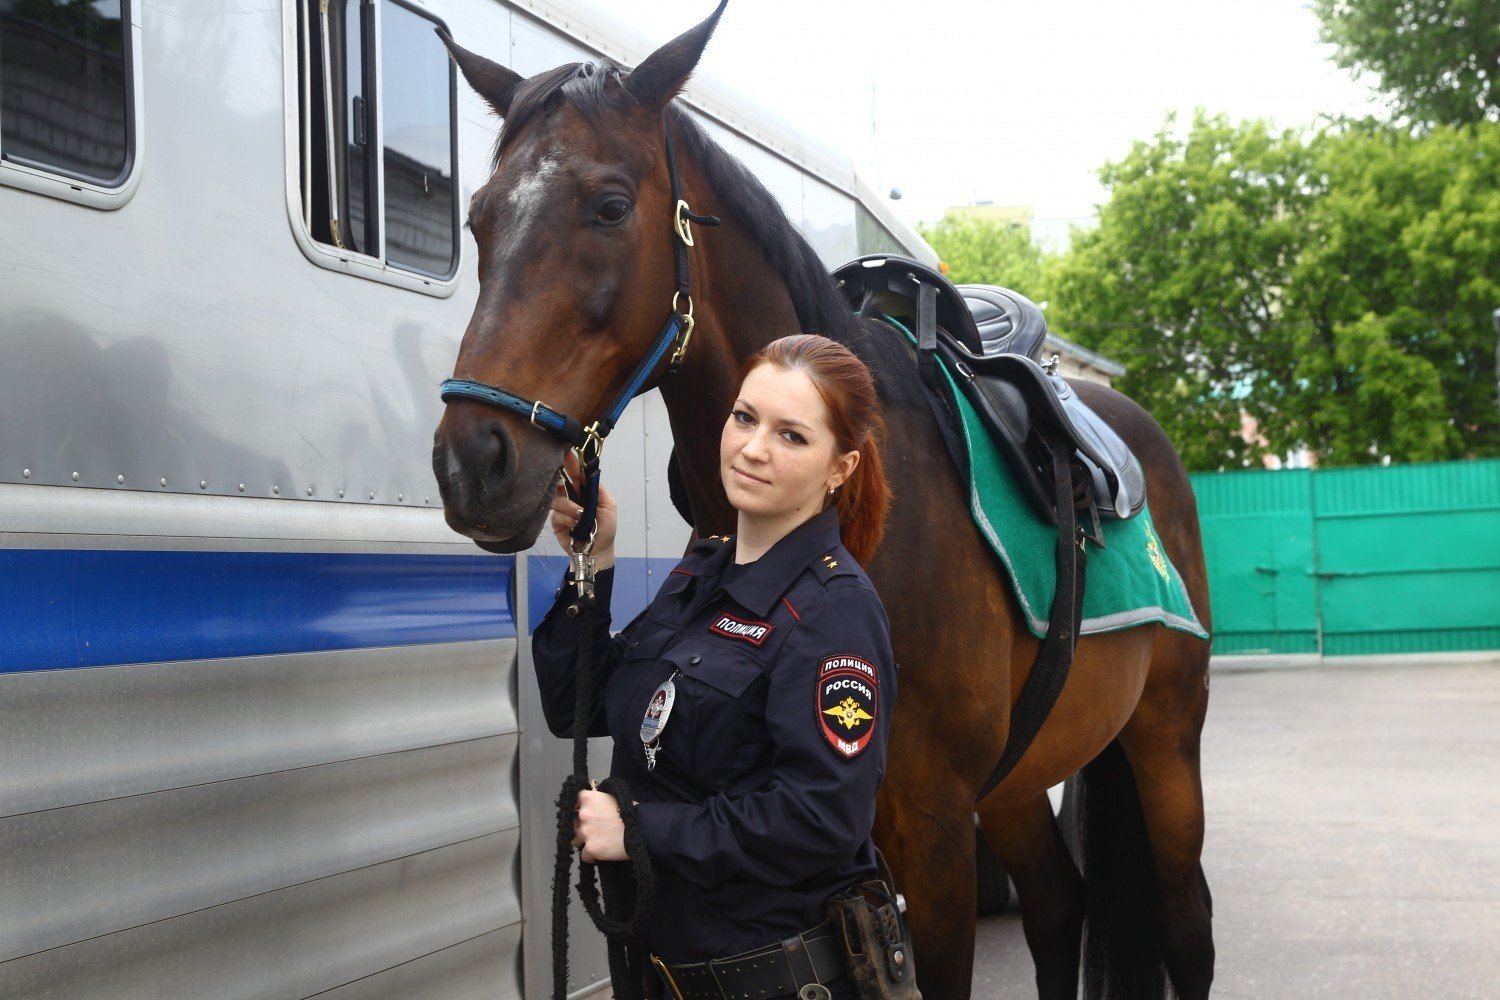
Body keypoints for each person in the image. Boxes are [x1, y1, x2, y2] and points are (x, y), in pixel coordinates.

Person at [533, 334, 896, 1000]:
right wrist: (594, 562)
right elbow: (574, 707)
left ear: (839, 468)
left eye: (792, 436)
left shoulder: (835, 611)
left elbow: (821, 819)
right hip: (658, 972)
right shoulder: (703, 569)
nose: (754, 448)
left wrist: (640, 828)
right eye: (745, 418)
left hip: (768, 981)